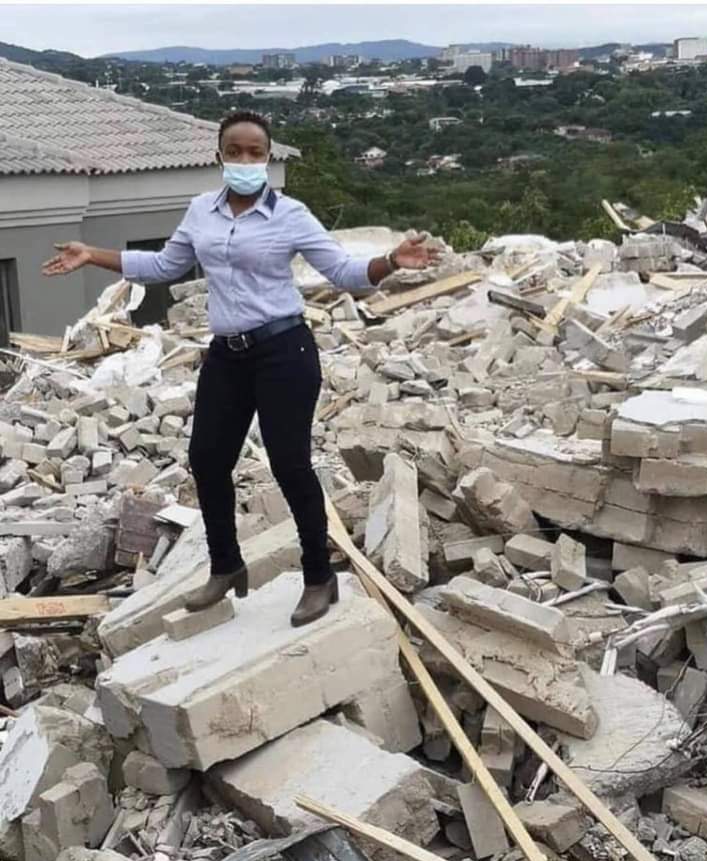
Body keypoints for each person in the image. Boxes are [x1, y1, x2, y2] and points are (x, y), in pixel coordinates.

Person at [42, 110, 441, 627]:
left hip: (284, 352)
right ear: (220, 156)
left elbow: (343, 272)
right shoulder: (200, 211)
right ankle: (226, 567)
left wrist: (389, 261)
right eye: (236, 151)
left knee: (289, 465)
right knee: (207, 461)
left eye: (257, 152)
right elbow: (167, 265)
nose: (246, 160)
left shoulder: (291, 214)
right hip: (227, 355)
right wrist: (92, 254)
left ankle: (319, 577)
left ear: (268, 158)